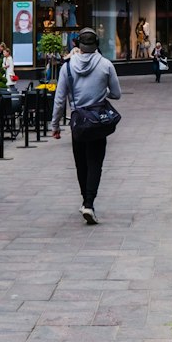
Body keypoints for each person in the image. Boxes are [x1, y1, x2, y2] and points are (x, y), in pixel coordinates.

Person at [50, 26, 122, 225]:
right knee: (95, 163)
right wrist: (101, 90)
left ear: (78, 45)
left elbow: (59, 98)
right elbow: (116, 93)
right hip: (98, 120)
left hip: (78, 122)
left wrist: (55, 125)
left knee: (81, 163)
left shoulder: (67, 67)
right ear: (96, 44)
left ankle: (85, 200)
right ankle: (89, 203)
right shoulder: (106, 65)